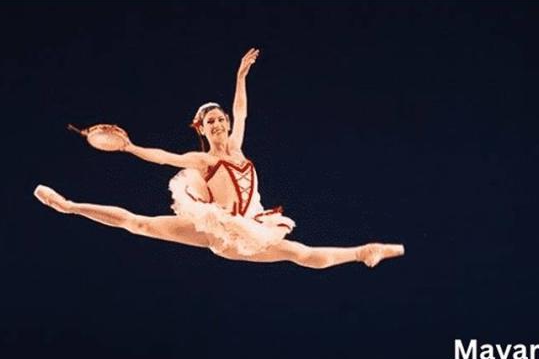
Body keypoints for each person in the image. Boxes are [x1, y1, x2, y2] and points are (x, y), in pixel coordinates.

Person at [35, 48, 404, 270]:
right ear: (203, 129)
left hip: (249, 229)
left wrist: (240, 76)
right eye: (211, 121)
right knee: (141, 224)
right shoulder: (202, 161)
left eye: (220, 119)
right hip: (216, 231)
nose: (219, 123)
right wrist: (130, 148)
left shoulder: (238, 144)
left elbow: (242, 111)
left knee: (302, 255)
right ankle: (69, 206)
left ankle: (363, 252)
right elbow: (163, 158)